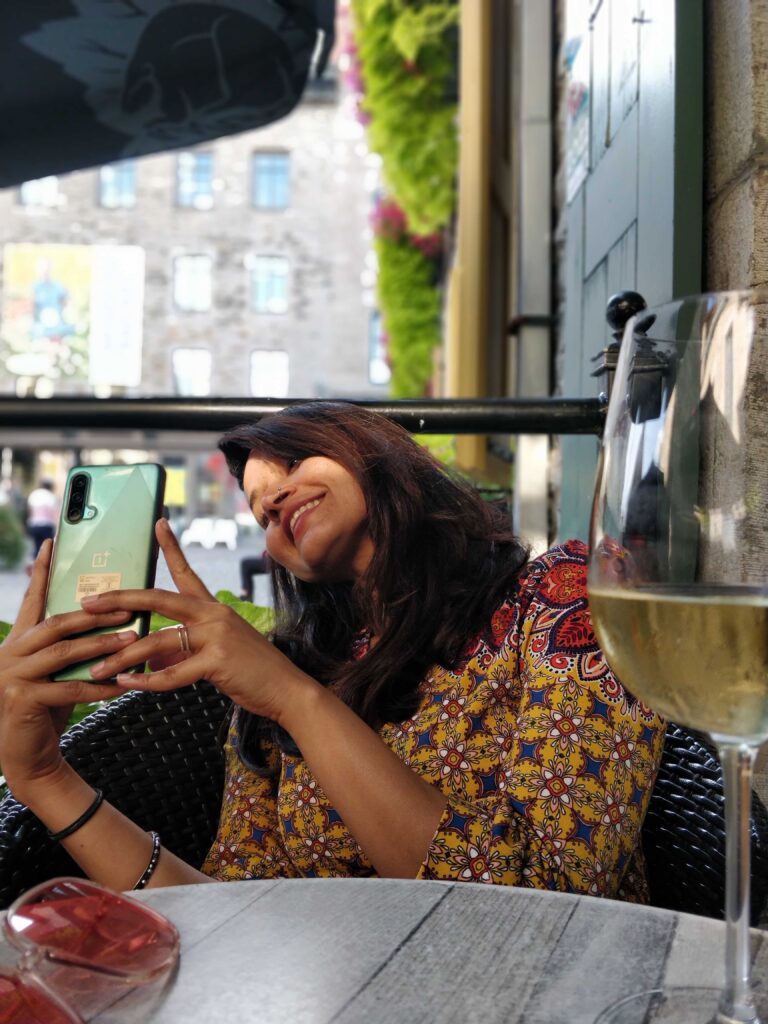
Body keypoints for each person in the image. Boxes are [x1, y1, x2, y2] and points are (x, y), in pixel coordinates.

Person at [0, 403, 665, 897]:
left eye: (295, 462)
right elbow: (231, 912)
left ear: (375, 448)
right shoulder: (293, 672)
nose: (275, 500)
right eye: (260, 511)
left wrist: (296, 701)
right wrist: (46, 781)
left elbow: (557, 899)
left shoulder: (559, 597)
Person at [25, 479, 59, 557]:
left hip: (34, 524)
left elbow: (29, 510)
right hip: (47, 525)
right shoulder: (51, 496)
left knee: (36, 545)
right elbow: (55, 513)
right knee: (46, 547)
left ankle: (35, 561)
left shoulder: (34, 494)